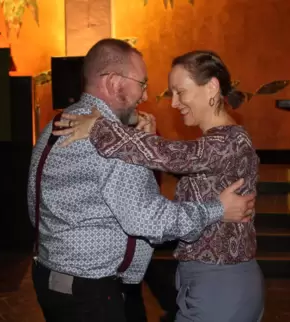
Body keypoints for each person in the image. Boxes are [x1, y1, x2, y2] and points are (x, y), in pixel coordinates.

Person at [28, 39, 256, 322]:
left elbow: (34, 205)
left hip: (54, 279)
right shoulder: (110, 141)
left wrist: (130, 137)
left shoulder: (61, 124)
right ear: (114, 82)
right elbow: (151, 220)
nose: (147, 96)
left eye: (179, 92)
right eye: (142, 83)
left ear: (211, 87)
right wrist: (217, 209)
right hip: (92, 293)